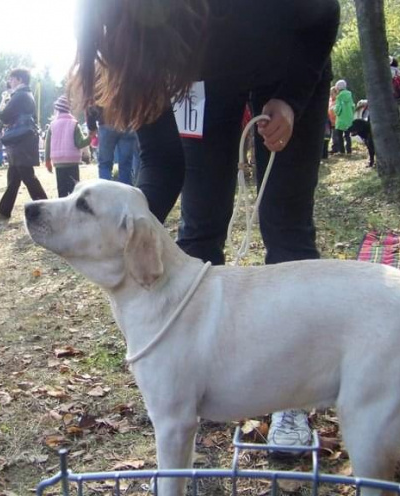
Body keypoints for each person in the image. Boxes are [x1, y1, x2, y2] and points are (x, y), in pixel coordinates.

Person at [72, 0, 340, 452]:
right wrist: (123, 228)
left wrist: (291, 100)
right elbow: (161, 164)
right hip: (210, 84)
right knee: (200, 226)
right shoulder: (148, 54)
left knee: (286, 223)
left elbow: (323, 15)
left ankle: (293, 397)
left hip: (292, 58)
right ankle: (190, 377)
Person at [0, 68, 47, 220]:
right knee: (14, 176)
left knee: (27, 176)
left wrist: (5, 101)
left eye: (11, 79)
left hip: (20, 142)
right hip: (22, 140)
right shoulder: (25, 94)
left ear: (19, 79)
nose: (9, 82)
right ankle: (4, 210)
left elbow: (4, 115)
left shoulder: (20, 95)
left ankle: (45, 207)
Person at [44, 95, 92, 197]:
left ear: (57, 110)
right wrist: (90, 137)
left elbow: (47, 145)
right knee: (74, 190)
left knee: (61, 189)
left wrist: (47, 161)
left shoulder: (52, 125)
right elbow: (80, 143)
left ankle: (62, 209)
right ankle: (73, 210)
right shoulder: (74, 124)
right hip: (72, 162)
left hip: (58, 162)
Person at [86, 106, 137, 185]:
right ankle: (124, 193)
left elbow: (90, 103)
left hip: (106, 122)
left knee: (105, 164)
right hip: (127, 122)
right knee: (126, 164)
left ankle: (105, 192)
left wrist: (92, 127)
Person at [334, 79, 355, 154]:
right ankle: (349, 150)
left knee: (339, 135)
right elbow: (353, 106)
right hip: (349, 118)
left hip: (341, 119)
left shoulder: (339, 96)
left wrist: (334, 110)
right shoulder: (350, 95)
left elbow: (338, 108)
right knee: (347, 135)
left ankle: (341, 151)